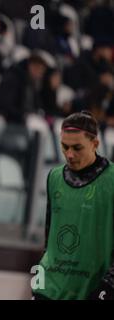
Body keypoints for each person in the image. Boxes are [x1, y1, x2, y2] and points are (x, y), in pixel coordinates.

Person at [32, 111, 114, 300]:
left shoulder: (111, 180)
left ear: (95, 144)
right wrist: (39, 282)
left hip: (92, 290)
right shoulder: (54, 177)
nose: (69, 154)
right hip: (50, 288)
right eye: (64, 147)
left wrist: (109, 287)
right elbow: (49, 238)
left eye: (77, 148)